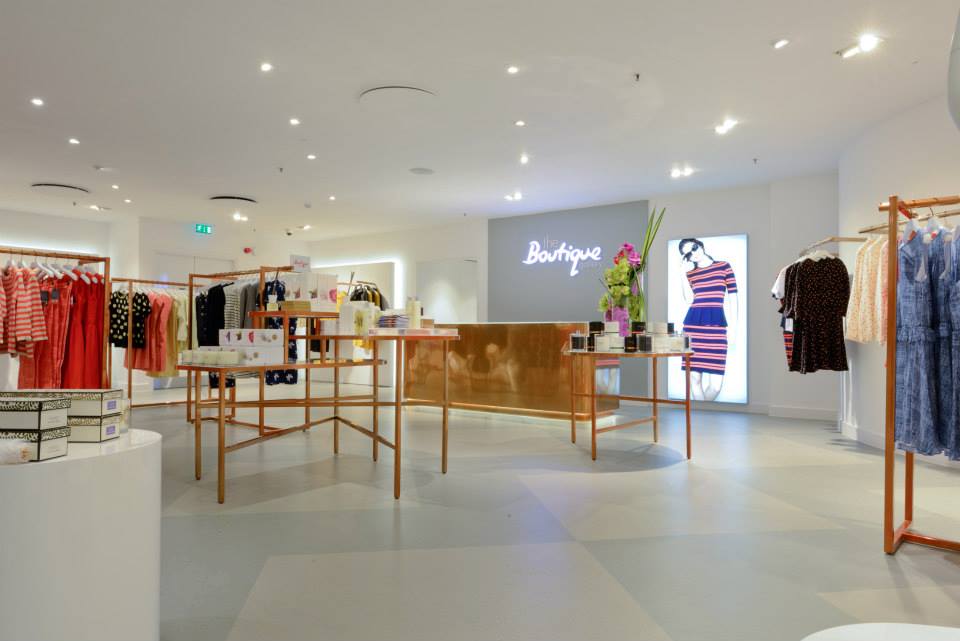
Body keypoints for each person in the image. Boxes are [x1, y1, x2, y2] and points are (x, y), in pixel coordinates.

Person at [678, 238, 739, 401]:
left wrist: (734, 330)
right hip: (692, 328)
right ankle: (699, 417)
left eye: (694, 248)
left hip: (716, 327)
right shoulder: (690, 274)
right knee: (695, 379)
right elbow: (689, 301)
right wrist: (682, 274)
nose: (693, 253)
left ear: (701, 246)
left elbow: (734, 298)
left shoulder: (723, 266)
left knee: (716, 386)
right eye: (688, 254)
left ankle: (702, 411)